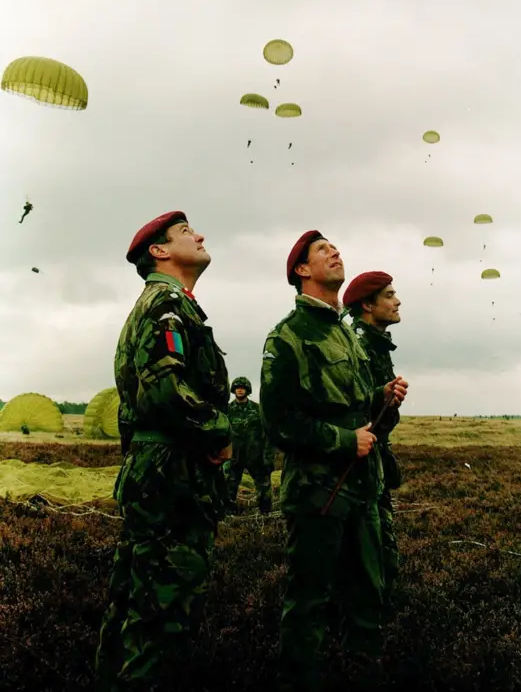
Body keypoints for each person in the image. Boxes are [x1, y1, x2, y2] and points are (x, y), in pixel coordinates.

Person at [260, 230, 408, 691]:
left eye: (335, 247)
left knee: (367, 597)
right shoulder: (288, 336)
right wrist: (343, 441)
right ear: (302, 271)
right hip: (317, 493)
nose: (335, 252)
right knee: (309, 604)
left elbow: (355, 405)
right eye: (323, 250)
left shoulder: (345, 335)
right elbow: (279, 422)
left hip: (361, 489)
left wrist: (381, 398)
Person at [95, 210, 232, 692]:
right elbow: (163, 393)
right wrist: (218, 432)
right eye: (185, 233)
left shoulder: (167, 305)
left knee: (135, 603)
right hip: (172, 477)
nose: (199, 235)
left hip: (158, 472)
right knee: (165, 616)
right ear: (160, 251)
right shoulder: (166, 307)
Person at [342, 272, 403, 619]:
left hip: (371, 461)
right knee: (369, 555)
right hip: (358, 465)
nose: (397, 302)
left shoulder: (375, 343)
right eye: (389, 295)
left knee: (378, 553)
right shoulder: (361, 345)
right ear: (367, 305)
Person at [225, 376, 275, 514]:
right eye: (237, 388)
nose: (240, 390)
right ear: (234, 390)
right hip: (235, 455)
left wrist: (268, 456)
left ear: (247, 390)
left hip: (255, 454)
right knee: (230, 485)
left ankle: (266, 515)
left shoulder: (258, 410)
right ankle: (229, 517)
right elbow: (223, 434)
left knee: (264, 486)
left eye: (242, 388)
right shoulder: (228, 410)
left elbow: (267, 434)